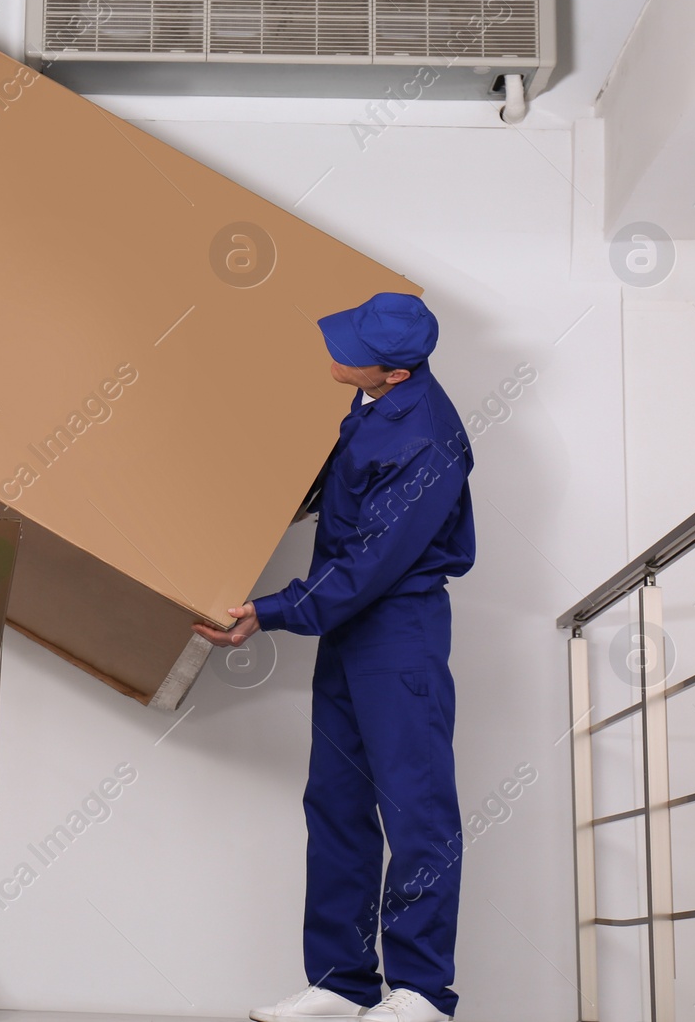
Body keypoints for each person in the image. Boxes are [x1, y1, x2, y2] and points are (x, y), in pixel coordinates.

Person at [194, 293, 475, 1022]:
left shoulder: (427, 440)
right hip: (352, 632)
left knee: (416, 810)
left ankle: (420, 993)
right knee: (339, 803)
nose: (334, 348)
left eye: (349, 344)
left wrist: (275, 610)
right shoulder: (373, 401)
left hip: (397, 631)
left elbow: (371, 565)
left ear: (393, 371)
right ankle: (343, 981)